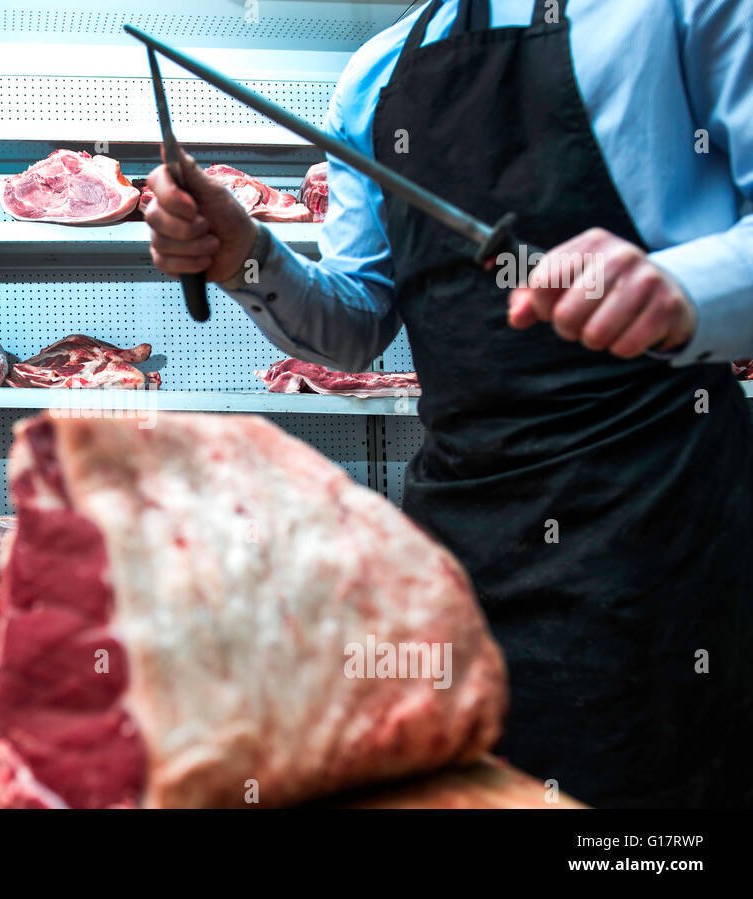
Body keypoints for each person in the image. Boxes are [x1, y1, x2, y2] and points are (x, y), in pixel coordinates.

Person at [143, 0, 753, 808]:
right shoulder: (376, 72)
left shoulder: (685, 10)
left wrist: (680, 285)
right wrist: (247, 255)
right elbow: (359, 317)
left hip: (658, 526)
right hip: (463, 537)